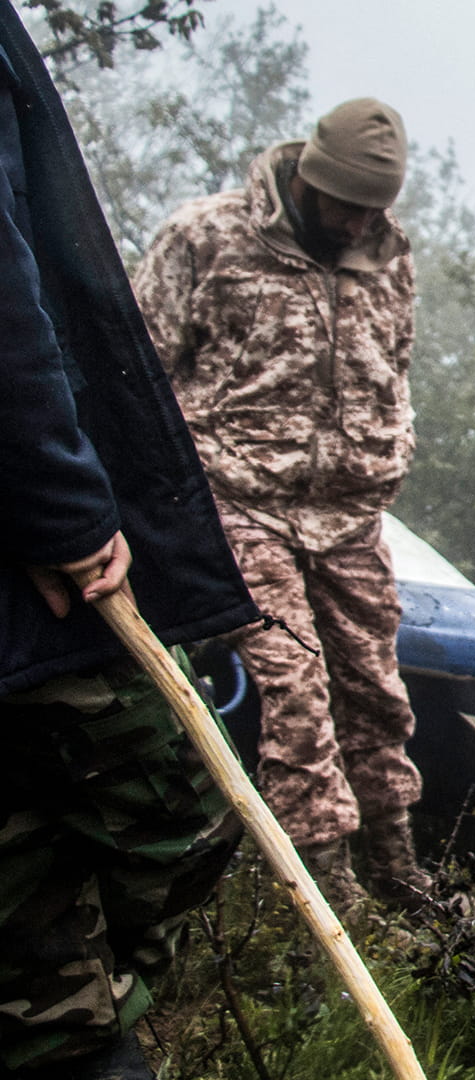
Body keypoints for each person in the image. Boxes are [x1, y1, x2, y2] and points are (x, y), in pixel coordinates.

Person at [0, 5, 260, 1073]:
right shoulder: (216, 238)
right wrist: (62, 504)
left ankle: (75, 1018)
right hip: (47, 567)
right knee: (185, 803)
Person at [131, 98, 433, 909]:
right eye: (348, 205)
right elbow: (139, 373)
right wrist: (154, 507)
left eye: (378, 208)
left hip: (349, 519)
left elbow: (391, 367)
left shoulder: (387, 256)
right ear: (309, 178)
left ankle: (398, 873)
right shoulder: (206, 239)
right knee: (294, 688)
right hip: (238, 503)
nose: (360, 222)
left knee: (377, 693)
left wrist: (386, 450)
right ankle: (324, 898)